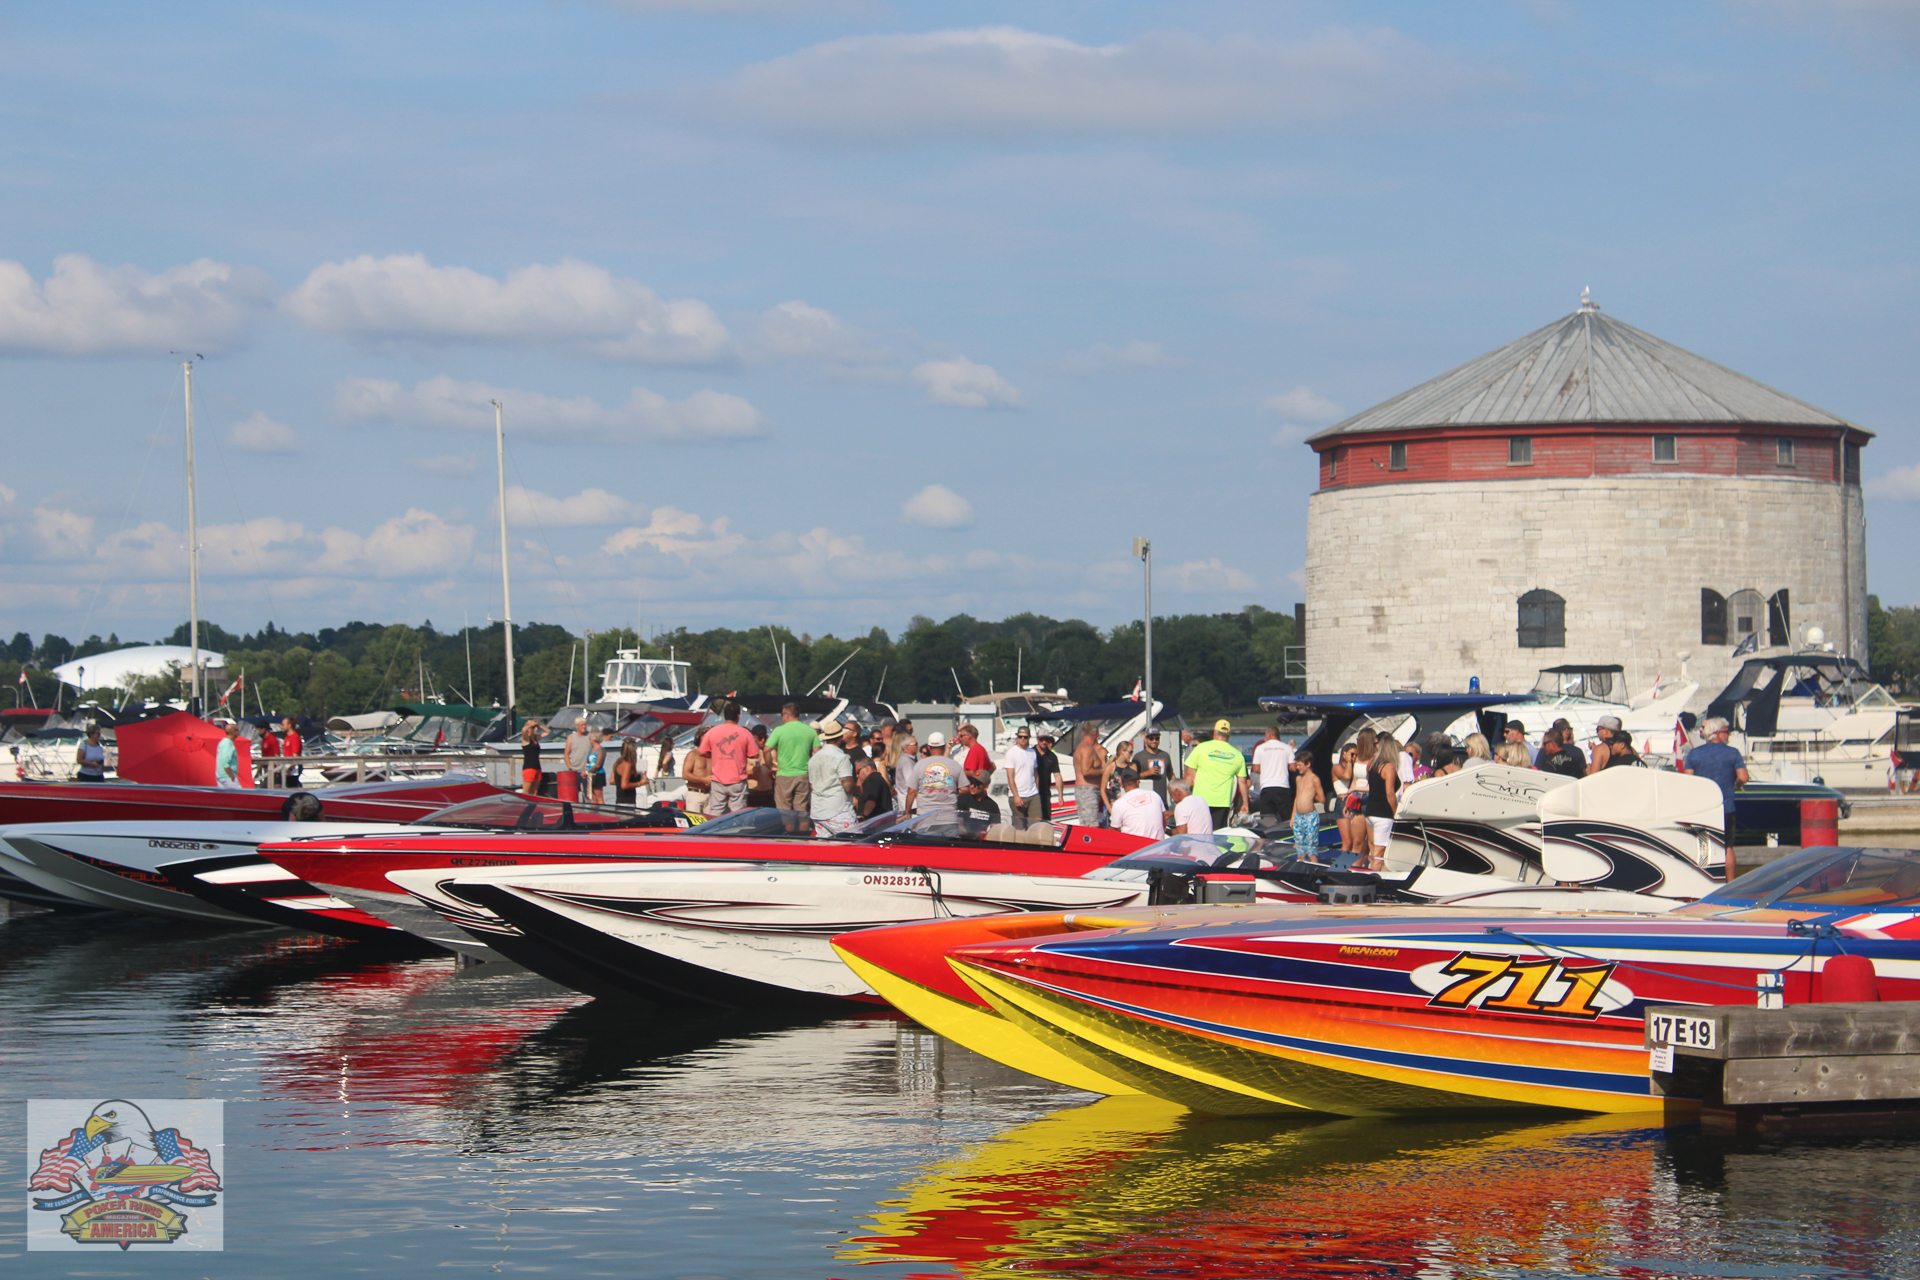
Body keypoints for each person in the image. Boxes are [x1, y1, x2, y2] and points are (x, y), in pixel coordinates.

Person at [1183, 718, 1249, 831]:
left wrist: (1183, 797)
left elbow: (1189, 774)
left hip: (1200, 800)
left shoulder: (1201, 748)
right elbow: (1243, 781)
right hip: (1223, 802)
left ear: (1214, 732)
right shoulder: (1237, 754)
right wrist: (1245, 803)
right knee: (1218, 834)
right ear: (1229, 735)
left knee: (1199, 832)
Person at [698, 702, 761, 816]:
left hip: (718, 779)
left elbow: (702, 752)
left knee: (716, 812)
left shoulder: (712, 732)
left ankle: (715, 833)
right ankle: (736, 833)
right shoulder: (745, 733)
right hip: (738, 779)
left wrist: (714, 755)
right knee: (738, 813)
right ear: (738, 716)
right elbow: (755, 754)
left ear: (725, 716)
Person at [765, 702, 818, 814]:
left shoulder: (779, 730)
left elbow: (766, 749)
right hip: (803, 774)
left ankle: (788, 831)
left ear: (787, 715)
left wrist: (769, 767)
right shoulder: (810, 731)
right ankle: (802, 831)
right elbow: (817, 752)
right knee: (802, 809)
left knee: (785, 810)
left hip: (784, 774)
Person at [904, 732, 967, 824]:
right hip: (949, 819)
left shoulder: (920, 765)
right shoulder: (954, 765)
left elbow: (911, 791)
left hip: (925, 818)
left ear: (929, 747)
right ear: (944, 746)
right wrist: (948, 788)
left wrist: (907, 812)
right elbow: (965, 789)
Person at [807, 718, 857, 833]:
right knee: (854, 846)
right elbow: (848, 786)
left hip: (818, 811)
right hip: (838, 810)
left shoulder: (814, 758)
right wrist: (859, 789)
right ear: (841, 737)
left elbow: (811, 786)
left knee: (826, 849)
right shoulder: (841, 757)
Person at [1364, 733, 1401, 871]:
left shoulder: (1371, 764)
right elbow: (1390, 793)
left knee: (1373, 851)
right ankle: (1374, 884)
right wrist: (1395, 813)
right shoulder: (1389, 767)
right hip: (1383, 813)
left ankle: (1370, 877)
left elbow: (1372, 784)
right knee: (1379, 855)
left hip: (1370, 811)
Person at [1249, 726, 1295, 825]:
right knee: (1287, 819)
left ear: (1269, 735)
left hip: (1267, 787)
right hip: (1283, 787)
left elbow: (1256, 769)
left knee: (1267, 820)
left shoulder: (1260, 748)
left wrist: (1266, 768)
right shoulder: (1287, 748)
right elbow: (1293, 768)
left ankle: (1269, 837)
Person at [1108, 767, 1165, 838]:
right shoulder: (1154, 795)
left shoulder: (1119, 804)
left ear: (1121, 785)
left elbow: (1113, 832)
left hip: (1136, 847)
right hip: (1158, 845)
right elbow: (1163, 821)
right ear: (1138, 782)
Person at [1002, 727, 1042, 830]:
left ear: (1029, 738)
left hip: (1033, 794)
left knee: (1037, 824)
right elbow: (1010, 776)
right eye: (1020, 737)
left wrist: (1037, 790)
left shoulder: (1032, 752)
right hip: (1018, 795)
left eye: (1025, 737)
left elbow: (1035, 773)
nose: (1023, 739)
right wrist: (1016, 795)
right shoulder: (1011, 753)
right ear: (1017, 738)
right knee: (1019, 828)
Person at [1290, 749, 1324, 854]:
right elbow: (1297, 797)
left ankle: (1313, 866)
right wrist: (1292, 816)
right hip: (1298, 817)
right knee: (1299, 848)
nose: (1297, 767)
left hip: (1310, 816)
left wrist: (1311, 796)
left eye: (1300, 765)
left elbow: (1322, 798)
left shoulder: (1314, 779)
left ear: (1308, 764)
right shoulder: (1298, 779)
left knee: (1311, 848)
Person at [1072, 725, 1107, 826]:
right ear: (1095, 734)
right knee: (1092, 825)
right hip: (1087, 791)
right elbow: (1086, 772)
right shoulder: (1086, 748)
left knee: (1087, 824)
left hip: (1085, 790)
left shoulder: (1082, 747)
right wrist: (1103, 770)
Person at [1135, 729, 1173, 805]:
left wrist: (1175, 788)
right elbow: (1133, 777)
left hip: (1162, 798)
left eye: (1157, 738)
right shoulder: (1138, 757)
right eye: (1151, 739)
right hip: (1145, 799)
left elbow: (1170, 775)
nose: (1154, 741)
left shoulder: (1165, 755)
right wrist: (1147, 773)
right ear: (1146, 739)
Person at [1033, 731, 1064, 821]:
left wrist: (1060, 795)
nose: (1044, 742)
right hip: (1032, 793)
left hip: (1045, 793)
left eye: (1046, 739)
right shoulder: (1031, 753)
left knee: (1046, 820)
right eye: (1042, 739)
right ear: (1037, 739)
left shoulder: (1052, 756)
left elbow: (1057, 776)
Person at [682, 725, 713, 815]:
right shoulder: (693, 754)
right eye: (706, 736)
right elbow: (685, 775)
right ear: (700, 737)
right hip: (696, 794)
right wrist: (703, 780)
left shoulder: (714, 755)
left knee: (710, 825)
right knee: (695, 825)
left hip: (711, 795)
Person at [746, 723, 776, 808]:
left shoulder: (771, 752)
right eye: (760, 738)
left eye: (765, 738)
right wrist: (751, 772)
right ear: (754, 738)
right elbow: (739, 772)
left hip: (768, 793)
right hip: (752, 793)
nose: (763, 740)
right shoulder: (747, 753)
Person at [853, 756, 892, 820]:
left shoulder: (872, 779)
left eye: (858, 771)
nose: (857, 776)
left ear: (867, 768)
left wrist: (863, 816)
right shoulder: (877, 778)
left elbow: (871, 800)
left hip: (876, 824)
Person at [564, 717, 593, 799]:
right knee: (573, 794)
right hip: (574, 770)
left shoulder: (590, 736)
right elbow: (566, 754)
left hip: (586, 771)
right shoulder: (571, 737)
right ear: (577, 726)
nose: (584, 727)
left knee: (587, 795)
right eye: (581, 725)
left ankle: (587, 810)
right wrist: (569, 767)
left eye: (585, 725)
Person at [612, 737, 645, 806]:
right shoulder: (628, 765)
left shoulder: (618, 762)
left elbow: (612, 781)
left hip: (619, 802)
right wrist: (640, 783)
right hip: (627, 803)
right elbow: (624, 785)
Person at [892, 736, 920, 814]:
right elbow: (912, 785)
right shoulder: (906, 762)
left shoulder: (908, 760)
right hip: (910, 805)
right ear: (907, 747)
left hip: (909, 804)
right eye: (915, 744)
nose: (918, 746)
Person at [519, 718, 544, 795]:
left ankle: (533, 805)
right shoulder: (526, 739)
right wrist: (530, 725)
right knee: (527, 790)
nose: (535, 729)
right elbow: (523, 730)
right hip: (529, 767)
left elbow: (548, 732)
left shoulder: (536, 738)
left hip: (537, 767)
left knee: (535, 791)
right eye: (533, 727)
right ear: (529, 729)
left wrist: (539, 725)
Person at [215, 721, 241, 789]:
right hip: (227, 777)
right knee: (240, 796)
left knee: (225, 798)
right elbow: (225, 761)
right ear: (233, 732)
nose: (238, 732)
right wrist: (231, 776)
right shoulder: (227, 744)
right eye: (237, 730)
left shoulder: (224, 742)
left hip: (222, 776)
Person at [280, 715, 304, 787]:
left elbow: (295, 755)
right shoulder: (287, 737)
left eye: (283, 725)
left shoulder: (295, 737)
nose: (282, 727)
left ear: (289, 725)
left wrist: (289, 768)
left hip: (293, 769)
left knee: (292, 786)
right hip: (286, 765)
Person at [586, 727, 608, 804]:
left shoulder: (600, 750)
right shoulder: (591, 749)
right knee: (593, 797)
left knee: (599, 797)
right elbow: (587, 761)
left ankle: (603, 813)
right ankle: (594, 813)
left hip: (598, 774)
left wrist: (587, 772)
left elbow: (598, 765)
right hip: (590, 775)